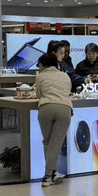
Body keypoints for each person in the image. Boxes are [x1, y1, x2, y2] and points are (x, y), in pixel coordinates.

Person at [35, 53, 73, 187]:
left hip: (46, 108)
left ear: (44, 65)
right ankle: (50, 174)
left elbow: (38, 94)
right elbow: (68, 92)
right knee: (55, 144)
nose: (39, 67)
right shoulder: (65, 76)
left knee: (47, 142)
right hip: (64, 109)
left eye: (39, 65)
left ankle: (49, 175)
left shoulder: (40, 76)